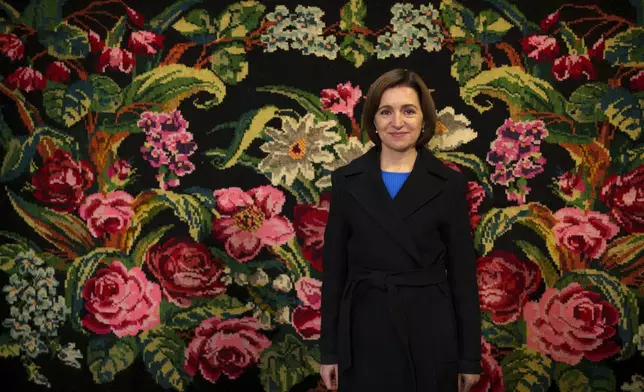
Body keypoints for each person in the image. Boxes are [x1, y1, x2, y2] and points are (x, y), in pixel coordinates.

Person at [318, 69, 482, 392]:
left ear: (424, 119)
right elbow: (334, 276)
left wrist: (469, 358)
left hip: (429, 333)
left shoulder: (449, 185)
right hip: (363, 331)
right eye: (386, 111)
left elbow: (463, 277)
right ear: (373, 121)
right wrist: (329, 352)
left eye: (408, 110)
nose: (398, 122)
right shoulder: (346, 182)